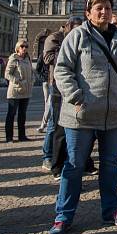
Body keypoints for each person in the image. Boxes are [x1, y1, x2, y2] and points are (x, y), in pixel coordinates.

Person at [48, 0, 117, 234]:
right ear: (88, 12)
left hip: (115, 113)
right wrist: (77, 97)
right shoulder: (77, 36)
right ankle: (63, 216)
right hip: (82, 114)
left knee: (110, 165)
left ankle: (111, 210)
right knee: (75, 165)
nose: (104, 12)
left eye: (107, 7)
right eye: (98, 8)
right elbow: (62, 69)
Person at [42, 17, 84, 175]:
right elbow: (47, 58)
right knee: (55, 125)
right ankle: (50, 159)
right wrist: (66, 51)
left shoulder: (79, 37)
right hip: (58, 85)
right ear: (68, 27)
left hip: (76, 84)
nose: (78, 31)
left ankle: (74, 161)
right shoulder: (55, 37)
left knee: (75, 125)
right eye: (76, 28)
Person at [4, 39, 34, 143]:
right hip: (15, 91)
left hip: (26, 91)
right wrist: (18, 81)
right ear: (18, 47)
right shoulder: (14, 58)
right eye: (22, 46)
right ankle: (9, 137)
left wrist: (32, 80)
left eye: (26, 46)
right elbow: (7, 74)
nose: (24, 48)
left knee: (22, 114)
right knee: (11, 114)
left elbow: (31, 71)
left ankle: (22, 136)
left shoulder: (28, 58)